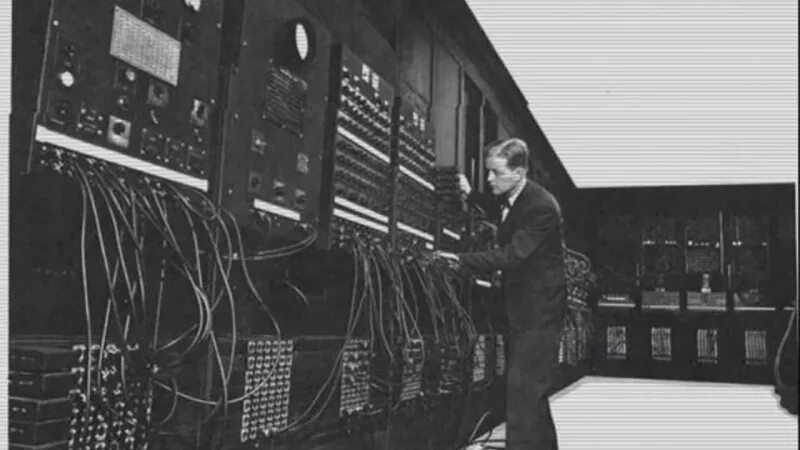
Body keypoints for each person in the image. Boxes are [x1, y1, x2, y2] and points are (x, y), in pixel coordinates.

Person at [433, 137, 566, 450]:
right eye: (488, 171)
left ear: (519, 172)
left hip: (538, 313)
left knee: (522, 395)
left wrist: (461, 261)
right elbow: (501, 210)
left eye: (496, 172)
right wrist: (471, 194)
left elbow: (512, 255)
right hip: (526, 309)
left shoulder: (542, 206)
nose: (490, 178)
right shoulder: (518, 197)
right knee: (532, 394)